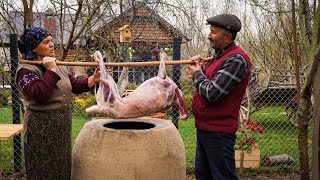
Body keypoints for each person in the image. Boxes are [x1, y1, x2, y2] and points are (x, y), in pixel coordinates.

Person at [15, 27, 100, 179]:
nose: (52, 44)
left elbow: (74, 85)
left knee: (61, 169)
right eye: (46, 42)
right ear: (34, 47)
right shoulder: (25, 71)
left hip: (60, 131)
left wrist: (93, 79)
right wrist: (51, 70)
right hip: (40, 131)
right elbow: (39, 93)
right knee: (42, 171)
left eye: (52, 41)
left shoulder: (57, 66)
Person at [188, 14, 251, 180]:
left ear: (228, 36)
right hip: (205, 128)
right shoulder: (219, 57)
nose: (209, 36)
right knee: (203, 175)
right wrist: (201, 66)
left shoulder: (236, 60)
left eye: (213, 32)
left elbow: (211, 92)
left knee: (222, 177)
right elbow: (209, 79)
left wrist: (197, 74)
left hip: (219, 133)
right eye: (210, 31)